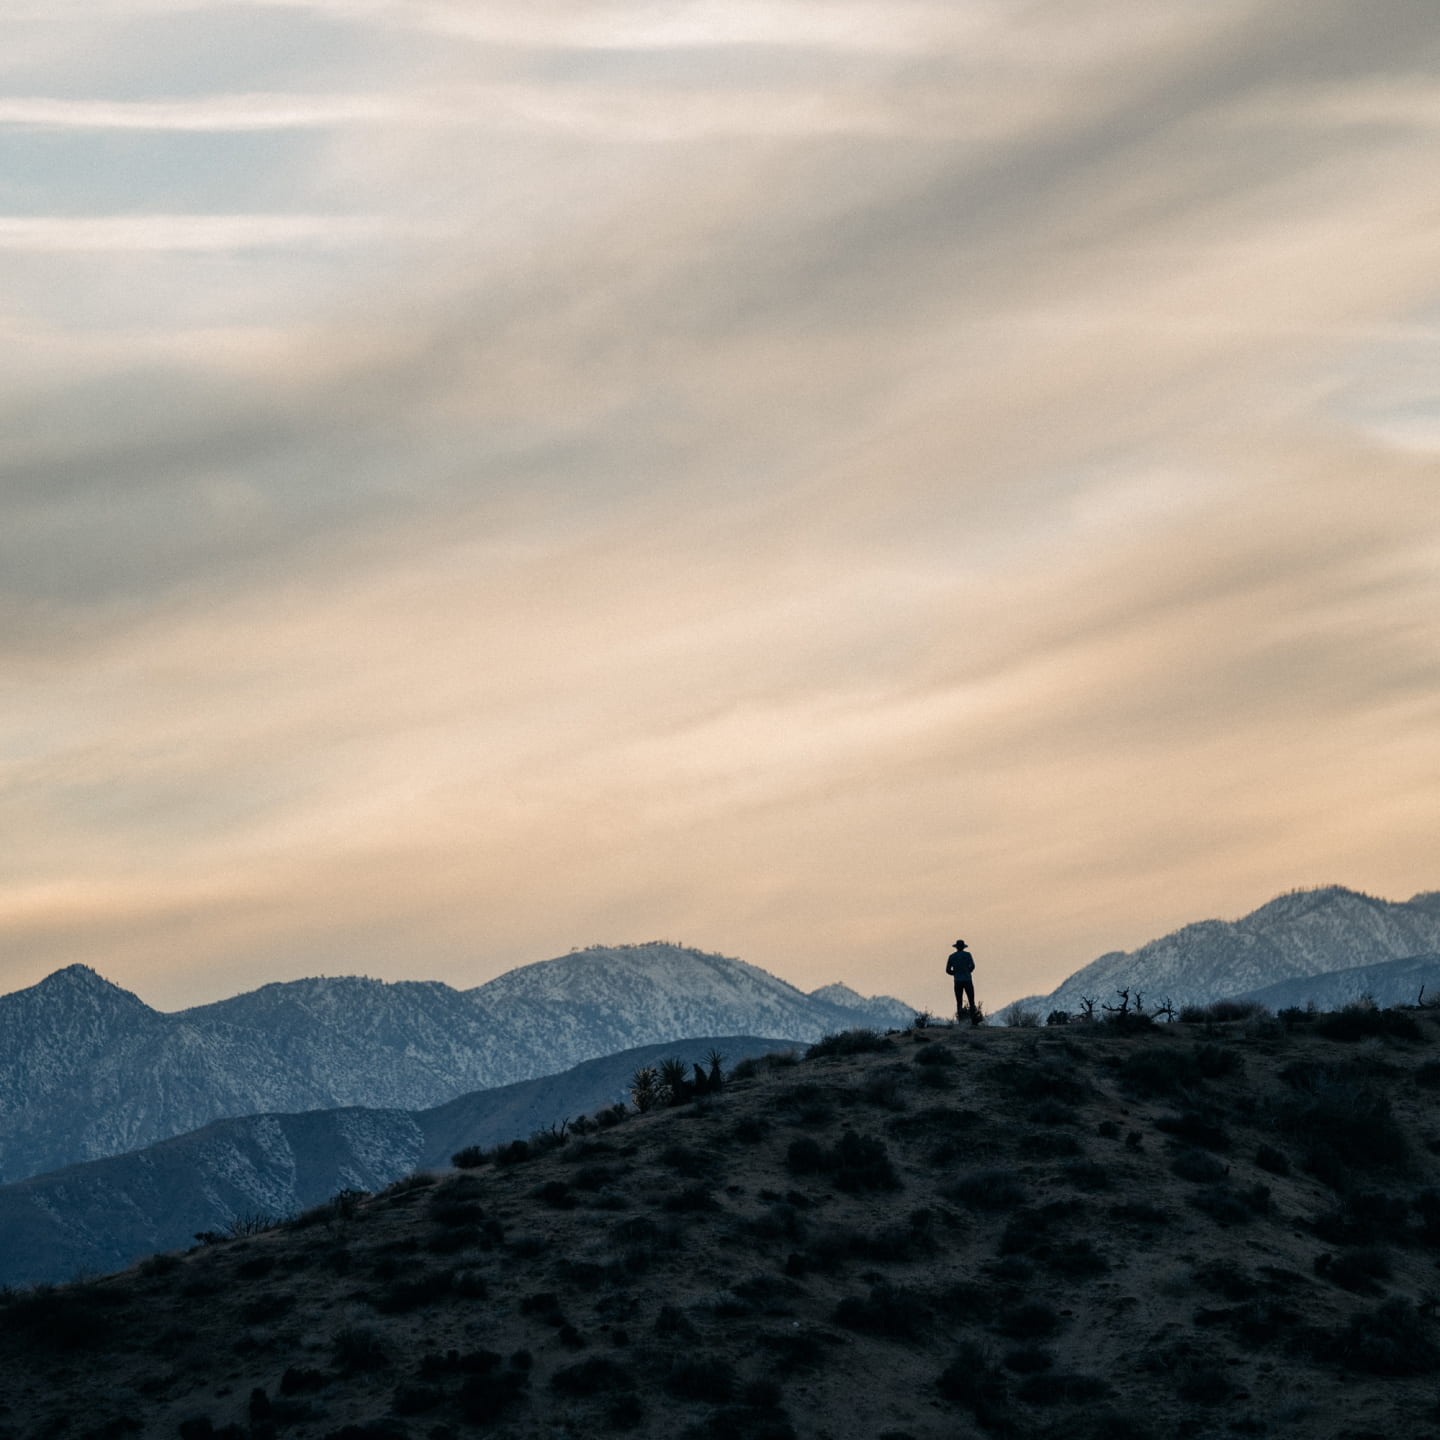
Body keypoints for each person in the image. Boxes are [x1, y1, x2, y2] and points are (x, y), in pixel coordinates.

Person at [946, 939, 976, 1023]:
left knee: (959, 1001)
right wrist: (967, 971)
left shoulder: (952, 956)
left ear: (956, 947)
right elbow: (973, 966)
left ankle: (961, 1020)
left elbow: (948, 970)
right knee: (971, 1000)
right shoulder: (967, 955)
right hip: (967, 980)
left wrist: (955, 973)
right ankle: (973, 1019)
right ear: (963, 947)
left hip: (957, 981)